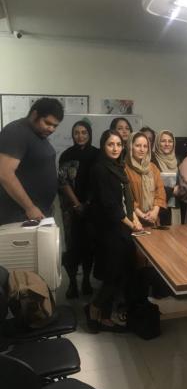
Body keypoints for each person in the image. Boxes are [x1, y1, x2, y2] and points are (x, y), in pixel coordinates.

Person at [86, 130, 142, 332]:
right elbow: (110, 205)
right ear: (103, 146)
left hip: (122, 228)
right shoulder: (100, 169)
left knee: (120, 274)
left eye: (118, 144)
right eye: (110, 144)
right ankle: (94, 309)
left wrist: (134, 219)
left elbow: (127, 200)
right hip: (110, 230)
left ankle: (105, 315)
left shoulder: (119, 167)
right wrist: (131, 224)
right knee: (112, 274)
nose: (115, 148)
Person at [0, 97, 64, 225]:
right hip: (19, 215)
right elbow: (4, 173)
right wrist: (29, 207)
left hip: (37, 213)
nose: (51, 129)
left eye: (55, 126)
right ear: (34, 114)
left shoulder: (39, 134)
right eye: (47, 123)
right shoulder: (16, 131)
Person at [59, 121, 99, 298]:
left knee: (89, 246)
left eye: (84, 132)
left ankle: (86, 281)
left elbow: (100, 182)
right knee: (72, 247)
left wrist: (87, 203)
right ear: (72, 135)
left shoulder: (97, 154)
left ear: (89, 134)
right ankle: (72, 283)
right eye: (76, 132)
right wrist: (76, 204)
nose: (80, 136)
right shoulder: (67, 155)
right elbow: (63, 182)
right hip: (71, 209)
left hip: (92, 208)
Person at [124, 132, 166, 226]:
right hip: (134, 219)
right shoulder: (124, 169)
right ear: (130, 147)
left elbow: (160, 191)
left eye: (145, 146)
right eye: (138, 146)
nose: (142, 149)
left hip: (153, 218)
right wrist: (142, 215)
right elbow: (127, 197)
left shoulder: (153, 167)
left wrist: (155, 211)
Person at [154, 130, 182, 225]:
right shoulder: (152, 160)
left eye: (170, 141)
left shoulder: (178, 160)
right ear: (158, 143)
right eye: (163, 141)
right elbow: (152, 185)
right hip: (158, 207)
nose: (167, 144)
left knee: (176, 232)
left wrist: (181, 188)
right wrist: (172, 190)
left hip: (176, 206)